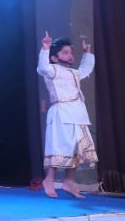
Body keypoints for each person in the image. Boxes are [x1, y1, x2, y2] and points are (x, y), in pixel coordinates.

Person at [37, 31, 98, 199]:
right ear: (54, 57)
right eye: (65, 52)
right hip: (61, 113)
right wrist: (45, 48)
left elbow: (85, 70)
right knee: (59, 146)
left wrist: (87, 53)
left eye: (70, 52)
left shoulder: (73, 73)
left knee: (76, 147)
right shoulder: (52, 70)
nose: (70, 55)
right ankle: (49, 180)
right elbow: (43, 67)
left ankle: (69, 182)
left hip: (78, 114)